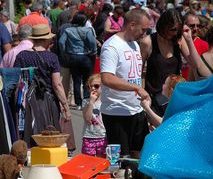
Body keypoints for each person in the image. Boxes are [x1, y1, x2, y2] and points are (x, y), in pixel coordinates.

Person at [100, 8, 151, 156]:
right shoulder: (111, 46)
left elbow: (134, 73)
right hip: (117, 112)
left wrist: (141, 93)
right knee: (122, 160)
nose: (145, 33)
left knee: (140, 154)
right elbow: (107, 78)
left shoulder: (135, 44)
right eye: (143, 29)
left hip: (136, 109)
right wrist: (136, 88)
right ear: (132, 25)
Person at [14, 24, 71, 144]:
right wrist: (65, 106)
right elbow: (57, 85)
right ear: (47, 40)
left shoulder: (21, 56)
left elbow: (16, 80)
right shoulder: (51, 58)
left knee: (29, 132)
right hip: (48, 101)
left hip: (27, 101)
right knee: (49, 134)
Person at [141, 9, 192, 116]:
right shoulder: (148, 42)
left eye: (178, 30)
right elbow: (139, 71)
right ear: (163, 25)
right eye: (173, 29)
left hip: (174, 97)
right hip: (153, 99)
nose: (175, 33)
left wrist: (189, 40)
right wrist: (143, 94)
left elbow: (194, 63)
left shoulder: (179, 40)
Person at [58, 12, 97, 110]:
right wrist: (93, 51)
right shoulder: (87, 30)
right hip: (85, 57)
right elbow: (92, 42)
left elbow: (61, 42)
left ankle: (78, 103)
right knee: (87, 80)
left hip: (73, 57)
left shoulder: (68, 30)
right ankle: (86, 100)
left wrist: (65, 51)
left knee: (76, 81)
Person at [81, 74, 107, 157]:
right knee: (88, 162)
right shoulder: (86, 102)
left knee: (101, 162)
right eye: (90, 86)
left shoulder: (105, 102)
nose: (92, 88)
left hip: (103, 136)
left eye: (96, 86)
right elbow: (87, 119)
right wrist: (91, 102)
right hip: (89, 136)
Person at [181, 13, 209, 80]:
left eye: (198, 25)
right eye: (192, 26)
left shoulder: (204, 44)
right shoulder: (177, 42)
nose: (196, 28)